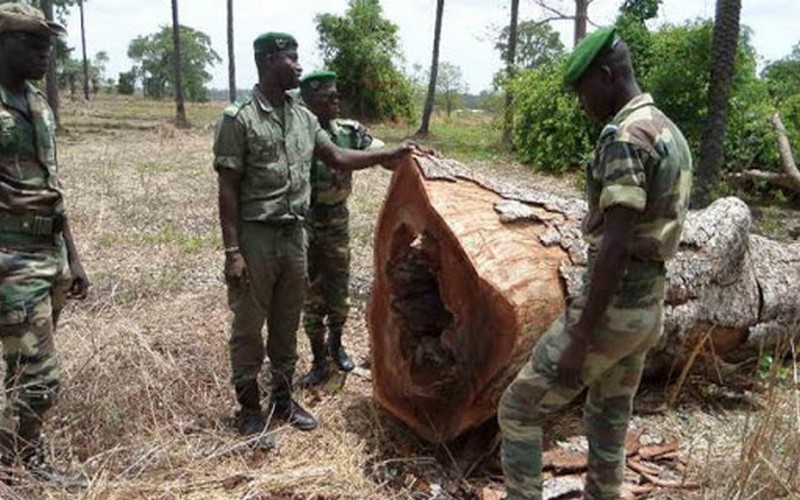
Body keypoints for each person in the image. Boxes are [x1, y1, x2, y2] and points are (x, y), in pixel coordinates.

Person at [497, 27, 693, 500]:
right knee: (608, 418)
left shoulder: (626, 137)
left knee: (519, 410)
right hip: (647, 309)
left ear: (606, 76)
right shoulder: (666, 128)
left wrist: (581, 335)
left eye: (583, 90)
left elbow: (616, 243)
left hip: (613, 310)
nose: (582, 103)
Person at [213, 32, 414, 439]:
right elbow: (227, 188)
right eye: (291, 58)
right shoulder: (239, 119)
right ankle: (249, 409)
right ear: (268, 61)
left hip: (295, 236)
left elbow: (337, 156)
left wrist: (386, 155)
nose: (298, 65)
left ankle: (283, 400)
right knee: (249, 326)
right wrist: (233, 251)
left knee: (287, 323)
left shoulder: (303, 118)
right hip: (256, 237)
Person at [0, 3, 89, 487]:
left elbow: (53, 187)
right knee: (39, 376)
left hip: (47, 253)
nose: (44, 53)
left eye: (48, 45)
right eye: (32, 43)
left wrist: (72, 256)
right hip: (9, 258)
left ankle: (14, 458)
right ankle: (22, 468)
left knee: (23, 370)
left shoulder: (37, 103)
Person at [297, 70, 385, 387]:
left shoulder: (350, 132)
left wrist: (410, 156)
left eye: (337, 95)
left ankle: (336, 345)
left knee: (339, 289)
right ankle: (319, 360)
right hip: (304, 223)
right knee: (311, 295)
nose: (336, 100)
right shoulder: (296, 133)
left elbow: (382, 155)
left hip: (337, 221)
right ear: (309, 100)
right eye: (328, 96)